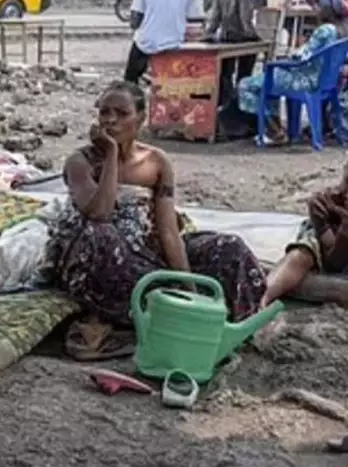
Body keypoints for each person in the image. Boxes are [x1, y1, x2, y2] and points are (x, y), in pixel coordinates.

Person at [44, 81, 265, 325]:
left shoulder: (156, 162)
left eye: (121, 113)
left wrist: (189, 287)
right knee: (102, 235)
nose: (110, 120)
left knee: (229, 247)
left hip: (146, 253)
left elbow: (168, 231)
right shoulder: (81, 161)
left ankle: (241, 324)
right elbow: (100, 213)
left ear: (140, 119)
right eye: (104, 112)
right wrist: (111, 156)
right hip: (96, 258)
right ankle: (163, 306)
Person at [236, 0, 348, 142]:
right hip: (326, 81)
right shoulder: (342, 31)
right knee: (269, 81)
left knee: (246, 85)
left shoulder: (325, 30)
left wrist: (291, 54)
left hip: (306, 80)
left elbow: (301, 56)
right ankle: (282, 129)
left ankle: (273, 129)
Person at [262, 163, 348, 307]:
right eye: (346, 182)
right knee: (303, 252)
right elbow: (332, 262)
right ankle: (260, 300)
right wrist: (324, 224)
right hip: (332, 253)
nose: (344, 193)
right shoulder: (331, 202)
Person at [123, 0, 193, 84]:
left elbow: (134, 21)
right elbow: (190, 17)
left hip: (147, 42)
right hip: (174, 43)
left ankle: (133, 96)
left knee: (130, 78)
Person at [204, 0, 260, 108]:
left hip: (246, 38)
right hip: (227, 38)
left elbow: (245, 16)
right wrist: (207, 34)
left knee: (244, 76)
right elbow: (215, 16)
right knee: (223, 73)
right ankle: (225, 105)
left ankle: (241, 106)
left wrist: (244, 34)